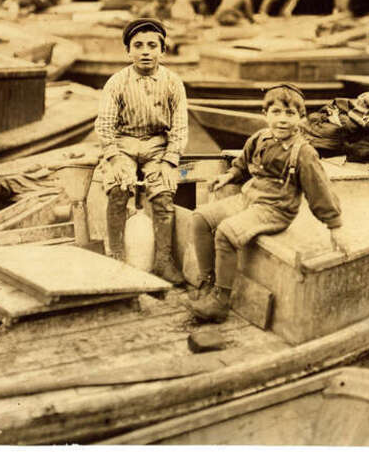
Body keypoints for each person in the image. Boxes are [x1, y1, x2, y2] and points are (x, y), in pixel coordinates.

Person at [185, 84, 351, 323]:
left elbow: (320, 192)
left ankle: (221, 301)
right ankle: (207, 281)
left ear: (301, 118)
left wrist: (335, 226)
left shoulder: (304, 153)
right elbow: (243, 163)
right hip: (249, 198)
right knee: (200, 218)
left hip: (276, 209)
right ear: (265, 115)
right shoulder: (260, 137)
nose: (282, 120)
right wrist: (229, 176)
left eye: (290, 114)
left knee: (226, 233)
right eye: (276, 113)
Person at [95, 18, 189, 285]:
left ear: (163, 50)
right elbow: (104, 125)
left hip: (157, 145)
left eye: (152, 45)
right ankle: (115, 256)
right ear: (128, 51)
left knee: (163, 197)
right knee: (117, 190)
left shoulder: (173, 82)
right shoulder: (116, 82)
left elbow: (180, 127)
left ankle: (163, 261)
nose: (145, 51)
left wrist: (171, 162)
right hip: (123, 143)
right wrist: (113, 158)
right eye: (138, 45)